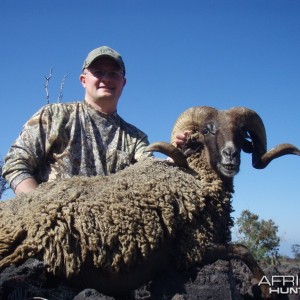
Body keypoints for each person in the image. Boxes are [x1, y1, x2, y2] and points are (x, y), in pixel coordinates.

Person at [3, 46, 187, 195]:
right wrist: (39, 209)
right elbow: (15, 164)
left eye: (114, 73)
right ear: (83, 80)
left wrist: (179, 153)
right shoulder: (54, 116)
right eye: (98, 72)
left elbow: (151, 172)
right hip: (51, 229)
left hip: (109, 231)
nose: (106, 78)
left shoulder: (135, 138)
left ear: (123, 82)